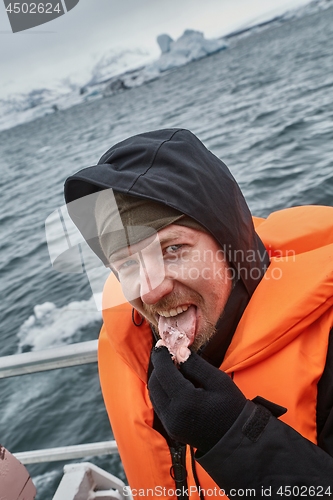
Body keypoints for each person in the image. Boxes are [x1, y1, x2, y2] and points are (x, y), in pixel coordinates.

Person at [64, 128, 333, 499]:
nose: (151, 288)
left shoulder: (328, 343)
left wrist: (233, 436)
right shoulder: (130, 352)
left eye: (173, 249)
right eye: (127, 264)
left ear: (230, 246)